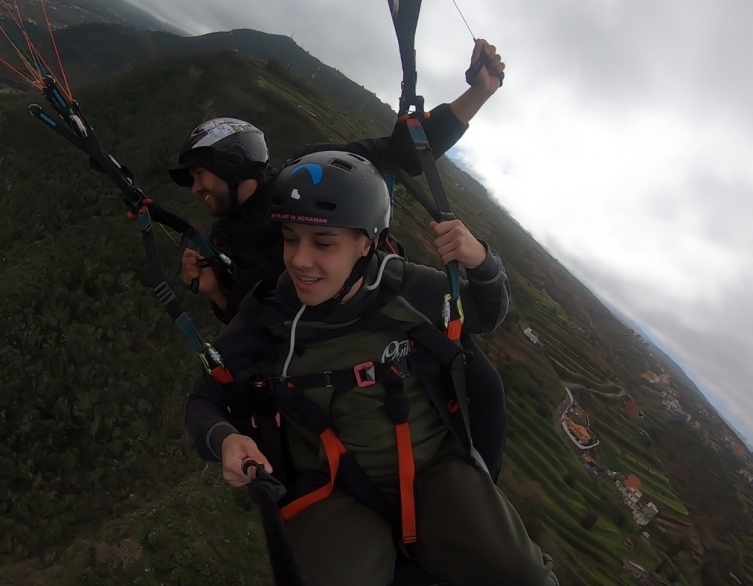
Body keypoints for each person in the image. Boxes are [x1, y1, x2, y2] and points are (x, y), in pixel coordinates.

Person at [185, 150, 556, 585]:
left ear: (366, 244)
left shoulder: (407, 289)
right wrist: (225, 438)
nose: (300, 260)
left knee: (524, 578)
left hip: (435, 470)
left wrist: (482, 263)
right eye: (290, 239)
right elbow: (206, 396)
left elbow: (483, 313)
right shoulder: (269, 316)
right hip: (334, 489)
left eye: (323, 243)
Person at [171, 39, 505, 325]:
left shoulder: (308, 175)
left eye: (199, 174)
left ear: (230, 163)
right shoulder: (224, 238)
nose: (195, 188)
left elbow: (396, 155)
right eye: (291, 239)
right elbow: (250, 322)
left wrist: (479, 93)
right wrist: (215, 291)